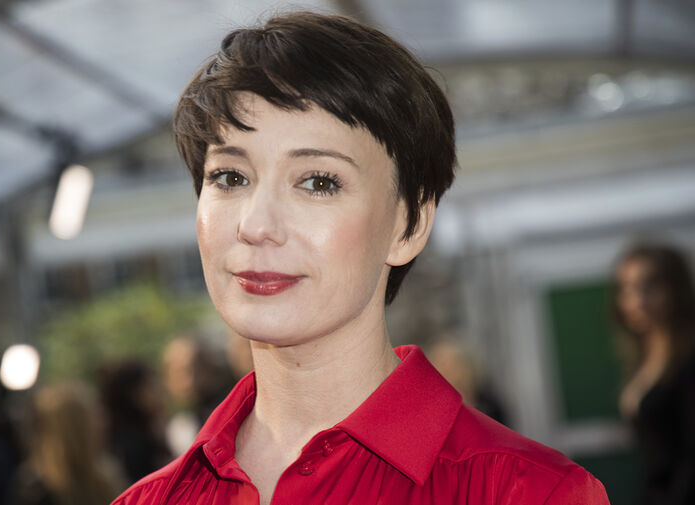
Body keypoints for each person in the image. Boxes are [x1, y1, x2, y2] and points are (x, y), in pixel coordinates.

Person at [112, 11, 608, 505]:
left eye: (318, 182)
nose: (255, 224)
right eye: (230, 177)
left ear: (408, 226)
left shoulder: (529, 492)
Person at [614, 243, 695, 504]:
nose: (637, 301)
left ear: (675, 289)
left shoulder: (688, 360)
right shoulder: (644, 360)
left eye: (650, 286)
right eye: (627, 289)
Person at [7, 381, 124, 505]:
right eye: (95, 417)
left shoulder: (105, 478)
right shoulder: (34, 491)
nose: (104, 424)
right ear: (74, 430)